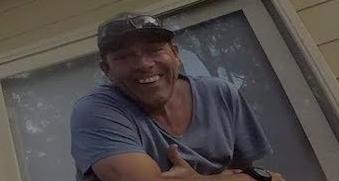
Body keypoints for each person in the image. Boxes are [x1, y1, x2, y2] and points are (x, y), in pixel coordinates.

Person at [69, 12, 285, 181]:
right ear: (106, 69)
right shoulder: (96, 111)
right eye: (124, 57)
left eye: (154, 50)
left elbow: (244, 172)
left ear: (175, 54)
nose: (144, 64)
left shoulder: (220, 94)